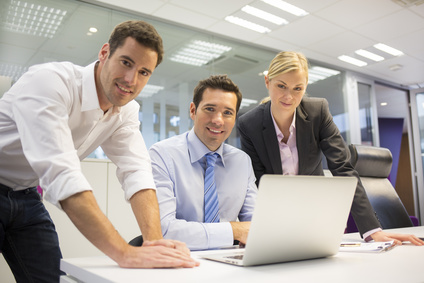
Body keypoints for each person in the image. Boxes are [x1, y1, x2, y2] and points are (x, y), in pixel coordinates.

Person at [0, 20, 198, 282]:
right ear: (104, 52)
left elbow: (137, 172)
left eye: (144, 72)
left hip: (25, 197)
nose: (131, 80)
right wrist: (125, 253)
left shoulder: (126, 111)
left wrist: (154, 242)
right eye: (126, 62)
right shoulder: (50, 82)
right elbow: (62, 175)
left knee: (52, 278)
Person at [237, 51, 424, 246]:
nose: (288, 97)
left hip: (316, 214)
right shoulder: (250, 124)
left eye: (297, 88)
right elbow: (258, 183)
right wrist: (256, 229)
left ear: (305, 87)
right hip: (274, 218)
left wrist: (372, 230)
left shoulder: (317, 112)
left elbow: (343, 168)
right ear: (267, 81)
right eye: (281, 86)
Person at [149, 75, 257, 250]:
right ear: (193, 110)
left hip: (229, 262)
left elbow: (257, 225)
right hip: (180, 261)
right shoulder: (162, 155)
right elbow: (164, 230)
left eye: (228, 113)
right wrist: (233, 230)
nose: (218, 120)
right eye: (210, 109)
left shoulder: (242, 162)